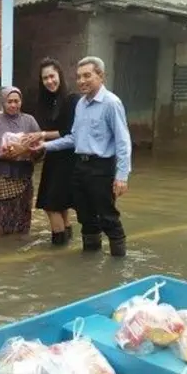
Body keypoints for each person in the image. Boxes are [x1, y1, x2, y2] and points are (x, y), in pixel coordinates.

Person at [31, 56, 132, 257]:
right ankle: (90, 264)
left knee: (108, 217)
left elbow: (123, 142)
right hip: (80, 167)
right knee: (86, 219)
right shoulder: (81, 104)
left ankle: (118, 266)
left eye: (87, 76)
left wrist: (122, 176)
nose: (82, 81)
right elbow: (74, 139)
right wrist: (45, 146)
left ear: (100, 76)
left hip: (102, 168)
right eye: (79, 77)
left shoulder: (111, 103)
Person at [28, 57, 81, 246]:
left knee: (51, 206)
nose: (49, 81)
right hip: (52, 158)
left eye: (52, 76)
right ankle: (66, 246)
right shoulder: (46, 102)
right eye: (45, 78)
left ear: (60, 75)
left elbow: (70, 132)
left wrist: (41, 135)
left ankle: (57, 249)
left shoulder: (72, 100)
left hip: (68, 159)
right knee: (61, 206)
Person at [0, 86, 41, 235]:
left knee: (23, 215)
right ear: (3, 102)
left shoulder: (29, 121)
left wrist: (27, 151)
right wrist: (1, 154)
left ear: (21, 102)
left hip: (23, 175)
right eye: (9, 101)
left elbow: (40, 146)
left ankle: (19, 247)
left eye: (16, 101)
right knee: (3, 216)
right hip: (1, 176)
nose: (13, 105)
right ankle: (3, 247)